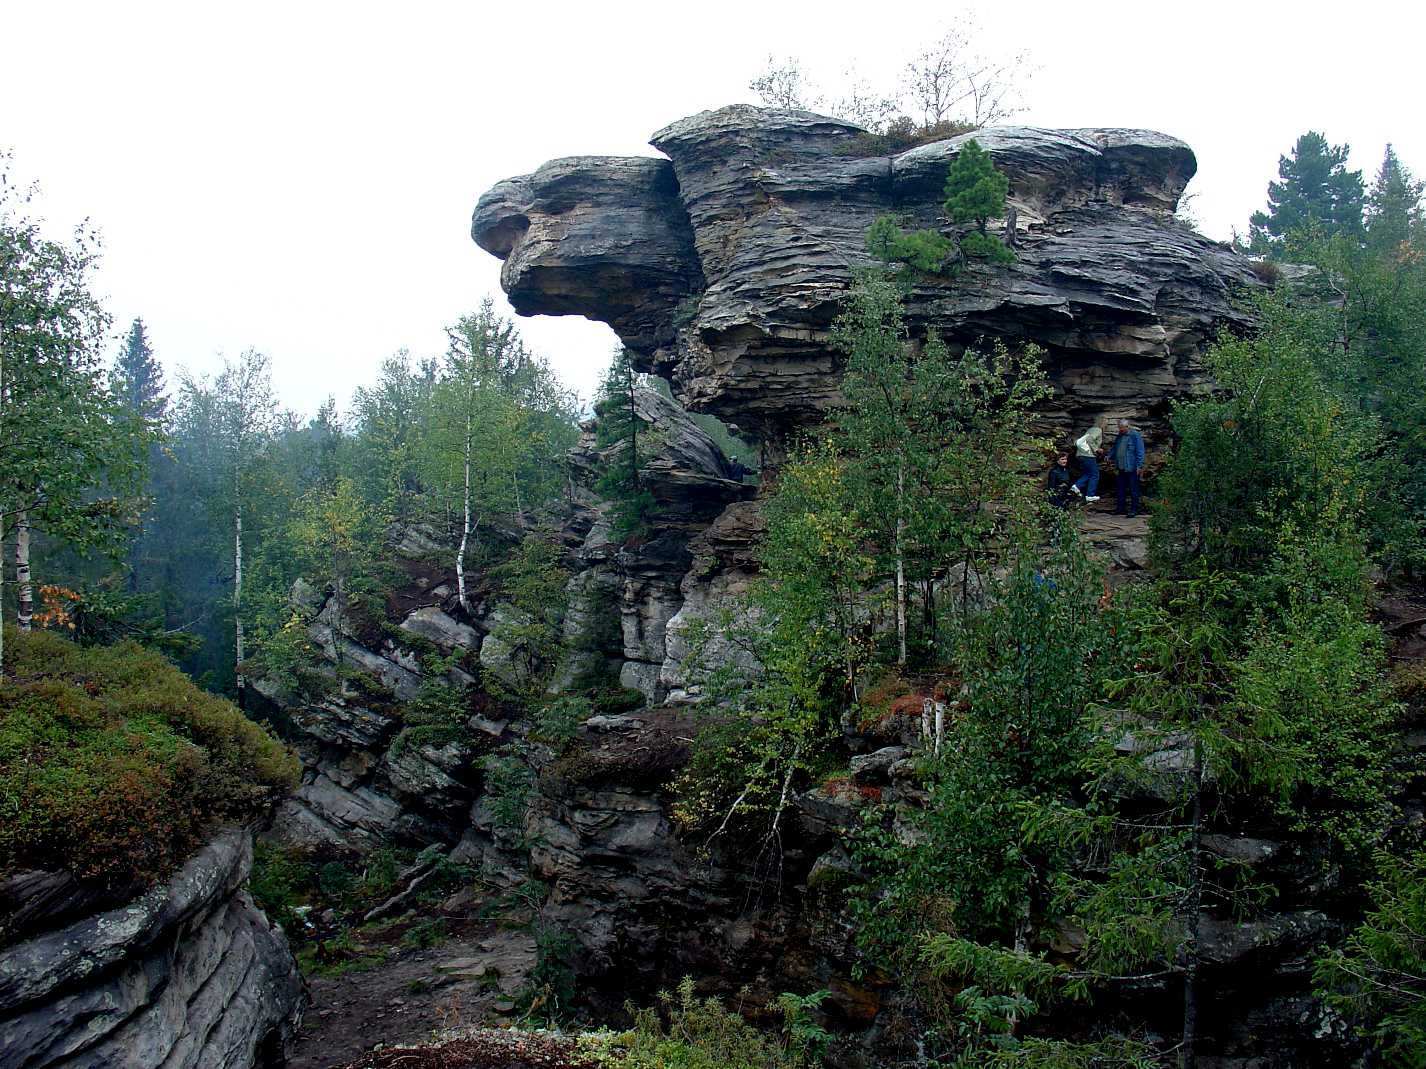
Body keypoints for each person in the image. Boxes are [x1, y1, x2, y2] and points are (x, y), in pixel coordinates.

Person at [1109, 418, 1145, 517]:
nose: (1120, 430)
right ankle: (1121, 509)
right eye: (1119, 428)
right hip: (1121, 468)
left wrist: (1139, 466)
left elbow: (1140, 451)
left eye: (1121, 428)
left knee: (1134, 489)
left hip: (1132, 468)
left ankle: (1134, 509)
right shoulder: (1120, 436)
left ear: (1127, 426)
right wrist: (1109, 456)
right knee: (1120, 489)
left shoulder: (1135, 435)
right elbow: (1115, 448)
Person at [1072, 425, 1103, 502]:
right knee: (1095, 474)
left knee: (1088, 473)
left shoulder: (1090, 429)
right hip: (1088, 455)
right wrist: (1097, 449)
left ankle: (1076, 486)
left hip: (1081, 455)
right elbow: (1089, 440)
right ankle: (1090, 495)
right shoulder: (1098, 429)